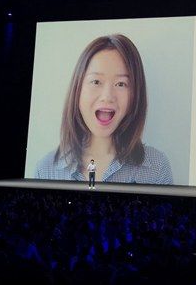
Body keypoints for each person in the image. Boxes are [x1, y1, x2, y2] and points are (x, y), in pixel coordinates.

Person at [35, 34, 173, 185]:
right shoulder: (46, 170)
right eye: (96, 81)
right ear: (78, 90)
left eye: (121, 84)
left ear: (135, 96)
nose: (107, 96)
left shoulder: (156, 168)